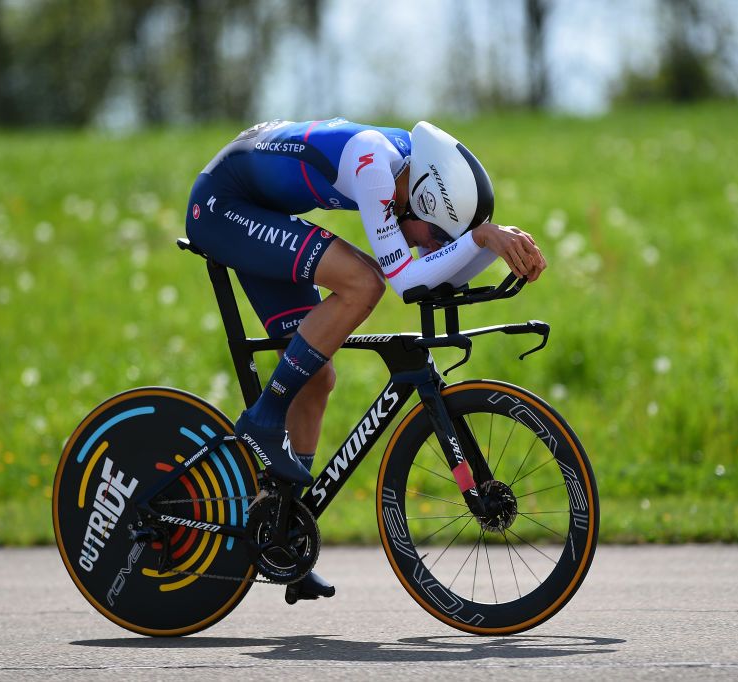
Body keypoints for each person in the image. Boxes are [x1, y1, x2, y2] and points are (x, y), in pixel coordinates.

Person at [185, 118, 546, 603]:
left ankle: (282, 534)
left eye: (439, 243)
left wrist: (497, 245)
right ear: (421, 200)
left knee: (316, 377)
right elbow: (403, 281)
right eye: (436, 236)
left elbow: (431, 272)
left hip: (256, 208)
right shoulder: (375, 166)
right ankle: (264, 417)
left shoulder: (406, 173)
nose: (428, 246)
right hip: (223, 207)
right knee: (364, 281)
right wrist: (481, 241)